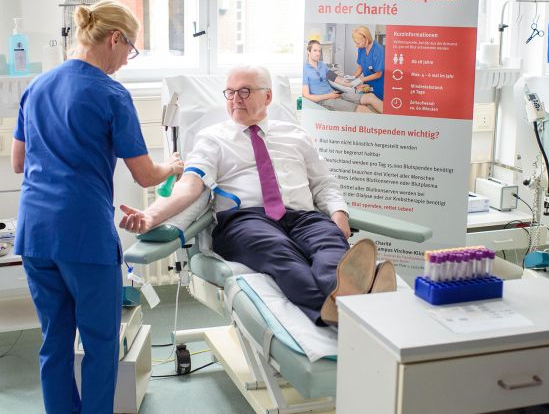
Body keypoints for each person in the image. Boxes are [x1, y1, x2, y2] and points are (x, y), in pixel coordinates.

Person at [11, 0, 183, 414]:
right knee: (102, 341)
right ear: (114, 39)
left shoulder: (36, 86)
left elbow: (19, 164)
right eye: (131, 48)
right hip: (84, 234)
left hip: (36, 234)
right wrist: (174, 166)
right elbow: (146, 175)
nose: (129, 58)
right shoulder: (111, 94)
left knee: (54, 343)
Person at [119, 66, 395, 327]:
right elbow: (190, 186)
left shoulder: (295, 135)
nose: (235, 99)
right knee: (281, 253)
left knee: (329, 246)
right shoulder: (212, 138)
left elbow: (324, 183)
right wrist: (149, 216)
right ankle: (342, 309)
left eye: (245, 91)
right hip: (245, 220)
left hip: (303, 217)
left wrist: (338, 215)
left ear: (268, 96)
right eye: (230, 92)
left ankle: (346, 292)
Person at [302, 40, 373, 113]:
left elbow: (337, 79)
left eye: (319, 51)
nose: (318, 53)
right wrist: (329, 96)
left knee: (369, 98)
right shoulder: (304, 70)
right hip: (324, 100)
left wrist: (355, 85)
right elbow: (307, 96)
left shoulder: (322, 65)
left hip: (335, 94)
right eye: (315, 50)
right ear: (308, 51)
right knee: (362, 109)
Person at [344, 26, 384, 101]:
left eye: (357, 43)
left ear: (365, 39)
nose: (356, 45)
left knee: (376, 103)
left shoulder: (378, 50)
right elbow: (361, 66)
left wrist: (361, 79)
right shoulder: (361, 48)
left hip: (378, 85)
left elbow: (378, 74)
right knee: (367, 101)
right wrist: (354, 77)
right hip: (367, 83)